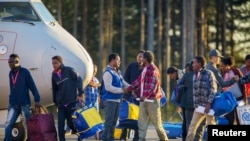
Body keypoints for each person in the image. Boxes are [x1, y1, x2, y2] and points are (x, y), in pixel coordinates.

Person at [126, 51, 168, 141]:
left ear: (146, 59)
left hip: (152, 101)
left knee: (157, 124)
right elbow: (138, 81)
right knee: (142, 122)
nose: (141, 59)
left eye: (142, 57)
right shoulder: (145, 69)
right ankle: (141, 139)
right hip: (143, 100)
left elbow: (152, 86)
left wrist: (144, 96)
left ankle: (163, 139)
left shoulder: (153, 69)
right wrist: (129, 88)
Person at [4, 54, 40, 141]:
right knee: (8, 123)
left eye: (11, 62)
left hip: (24, 104)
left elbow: (32, 85)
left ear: (16, 62)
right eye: (8, 62)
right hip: (13, 104)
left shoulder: (25, 72)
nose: (9, 64)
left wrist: (37, 99)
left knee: (27, 123)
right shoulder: (10, 73)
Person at [51, 55, 84, 141]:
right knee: (60, 127)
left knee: (71, 123)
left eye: (56, 63)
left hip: (71, 103)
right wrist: (56, 103)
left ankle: (80, 135)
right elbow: (54, 90)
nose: (54, 65)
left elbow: (79, 79)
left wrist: (81, 93)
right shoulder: (53, 75)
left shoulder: (69, 70)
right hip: (61, 105)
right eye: (53, 63)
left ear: (60, 63)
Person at [186, 56, 217, 141]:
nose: (192, 64)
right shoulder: (194, 75)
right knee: (192, 126)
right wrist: (196, 105)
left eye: (194, 62)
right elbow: (195, 92)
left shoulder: (208, 73)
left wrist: (209, 103)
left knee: (211, 125)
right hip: (199, 107)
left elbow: (213, 89)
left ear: (199, 64)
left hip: (208, 106)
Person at [101, 53, 130, 141]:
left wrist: (132, 87)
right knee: (109, 121)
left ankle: (111, 138)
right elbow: (108, 87)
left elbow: (123, 82)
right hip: (110, 100)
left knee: (114, 121)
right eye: (118, 60)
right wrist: (122, 90)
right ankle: (106, 138)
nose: (119, 62)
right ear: (112, 60)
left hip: (118, 100)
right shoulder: (108, 73)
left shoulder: (118, 72)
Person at [120, 50, 145, 141]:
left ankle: (136, 136)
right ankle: (123, 135)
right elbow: (125, 79)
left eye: (142, 56)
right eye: (139, 56)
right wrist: (130, 90)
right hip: (129, 95)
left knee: (138, 116)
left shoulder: (146, 68)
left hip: (140, 97)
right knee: (126, 115)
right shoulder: (131, 66)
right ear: (136, 57)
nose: (140, 58)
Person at [219, 56, 246, 124]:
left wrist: (245, 97)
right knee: (229, 119)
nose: (221, 68)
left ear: (227, 65)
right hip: (229, 100)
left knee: (240, 118)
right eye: (220, 66)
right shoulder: (222, 74)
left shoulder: (235, 71)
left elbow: (243, 83)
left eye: (222, 66)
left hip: (239, 99)